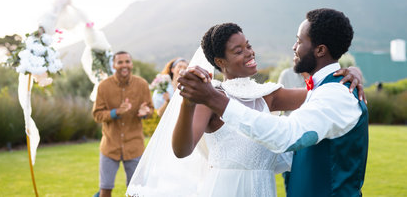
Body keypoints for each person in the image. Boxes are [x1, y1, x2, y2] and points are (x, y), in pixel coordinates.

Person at [126, 22, 364, 196]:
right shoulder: (211, 96)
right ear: (220, 62)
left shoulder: (268, 95)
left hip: (262, 189)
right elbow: (182, 150)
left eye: (248, 46)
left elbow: (320, 95)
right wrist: (188, 104)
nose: (249, 53)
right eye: (238, 51)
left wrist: (350, 72)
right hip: (225, 189)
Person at [92, 51, 154, 197]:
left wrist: (146, 112)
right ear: (114, 65)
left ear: (131, 64)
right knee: (105, 189)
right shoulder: (103, 86)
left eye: (127, 61)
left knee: (135, 190)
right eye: (120, 62)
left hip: (134, 146)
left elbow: (150, 109)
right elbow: (97, 114)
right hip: (110, 146)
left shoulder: (142, 84)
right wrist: (116, 112)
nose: (124, 65)